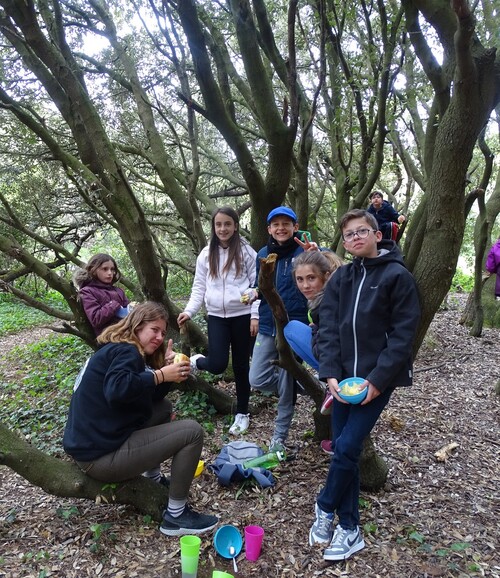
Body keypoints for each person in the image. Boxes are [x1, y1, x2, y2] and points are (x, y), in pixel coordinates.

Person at [309, 209, 420, 561]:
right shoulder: (341, 280)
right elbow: (326, 329)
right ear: (344, 242)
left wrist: (377, 381)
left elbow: (404, 336)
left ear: (376, 234)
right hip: (342, 381)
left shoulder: (396, 276)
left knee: (346, 447)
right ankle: (351, 528)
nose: (355, 238)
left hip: (374, 382)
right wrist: (329, 375)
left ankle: (325, 505)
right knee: (345, 450)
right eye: (348, 235)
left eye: (361, 231)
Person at [63, 301, 219, 536]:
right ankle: (176, 516)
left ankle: (154, 478)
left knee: (163, 408)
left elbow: (140, 397)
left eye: (163, 332)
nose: (158, 337)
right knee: (192, 432)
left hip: (93, 444)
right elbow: (117, 390)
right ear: (136, 326)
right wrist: (158, 375)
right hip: (100, 457)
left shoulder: (118, 348)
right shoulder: (126, 351)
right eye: (153, 330)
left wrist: (165, 376)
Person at [177, 207, 258, 435]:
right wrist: (189, 311)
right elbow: (199, 287)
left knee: (242, 366)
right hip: (216, 317)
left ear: (235, 226)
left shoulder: (247, 252)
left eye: (227, 224)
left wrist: (254, 316)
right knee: (218, 364)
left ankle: (242, 413)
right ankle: (198, 361)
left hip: (242, 317)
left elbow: (258, 287)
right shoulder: (206, 254)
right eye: (218, 224)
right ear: (213, 227)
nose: (223, 228)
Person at [249, 206, 319, 450]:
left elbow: (327, 271)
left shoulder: (305, 251)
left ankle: (279, 436)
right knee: (257, 378)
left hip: (296, 324)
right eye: (275, 224)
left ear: (295, 227)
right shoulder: (264, 253)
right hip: (269, 323)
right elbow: (259, 286)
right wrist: (252, 305)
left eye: (286, 223)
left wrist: (317, 254)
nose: (281, 228)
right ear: (269, 229)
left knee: (288, 375)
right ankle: (316, 386)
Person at [283, 250, 344, 455]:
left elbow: (328, 340)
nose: (305, 285)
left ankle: (338, 444)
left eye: (311, 278)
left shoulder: (328, 301)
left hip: (340, 360)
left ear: (326, 276)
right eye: (300, 279)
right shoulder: (336, 290)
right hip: (345, 357)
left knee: (291, 329)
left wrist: (329, 374)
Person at [73, 253, 130, 336]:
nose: (110, 273)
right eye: (105, 269)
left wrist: (134, 310)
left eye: (112, 269)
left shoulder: (118, 291)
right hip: (108, 337)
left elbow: (128, 312)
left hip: (127, 332)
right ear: (93, 269)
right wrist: (113, 305)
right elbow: (95, 319)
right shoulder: (87, 291)